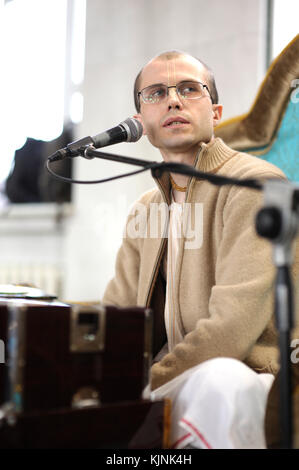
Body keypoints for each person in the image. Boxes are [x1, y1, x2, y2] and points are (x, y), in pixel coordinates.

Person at [102, 51, 299, 448]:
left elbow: (230, 332)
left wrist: (141, 386)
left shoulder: (254, 185)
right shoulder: (145, 210)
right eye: (156, 93)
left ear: (215, 111)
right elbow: (117, 320)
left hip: (251, 374)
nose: (173, 100)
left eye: (190, 89)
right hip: (174, 376)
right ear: (140, 123)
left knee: (221, 380)